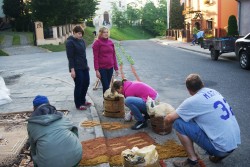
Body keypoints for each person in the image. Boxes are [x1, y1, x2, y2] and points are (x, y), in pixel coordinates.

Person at [164, 74, 241, 167]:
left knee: (179, 123)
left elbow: (169, 119)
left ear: (189, 90)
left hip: (221, 149)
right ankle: (218, 154)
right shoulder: (213, 91)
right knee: (196, 118)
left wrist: (165, 122)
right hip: (234, 142)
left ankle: (192, 160)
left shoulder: (192, 101)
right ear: (202, 84)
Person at [27, 95, 82, 167]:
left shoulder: (31, 124)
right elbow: (74, 129)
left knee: (36, 143)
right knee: (73, 129)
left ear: (34, 108)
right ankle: (73, 151)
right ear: (49, 105)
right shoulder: (61, 117)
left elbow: (33, 147)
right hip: (75, 160)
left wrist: (35, 163)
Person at [66, 25, 91, 110]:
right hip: (76, 67)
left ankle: (83, 100)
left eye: (81, 34)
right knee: (79, 84)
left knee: (86, 82)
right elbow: (70, 57)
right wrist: (72, 70)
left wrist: (87, 65)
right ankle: (78, 104)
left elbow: (83, 55)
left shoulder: (82, 41)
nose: (80, 35)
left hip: (84, 66)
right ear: (74, 33)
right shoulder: (70, 42)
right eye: (79, 33)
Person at [92, 27, 119, 94]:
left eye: (107, 32)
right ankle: (106, 102)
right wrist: (97, 70)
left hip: (110, 67)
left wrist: (116, 68)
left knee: (107, 86)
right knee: (106, 86)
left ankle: (106, 102)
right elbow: (95, 58)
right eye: (104, 32)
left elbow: (113, 56)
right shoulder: (97, 43)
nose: (106, 34)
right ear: (100, 33)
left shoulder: (111, 42)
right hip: (102, 68)